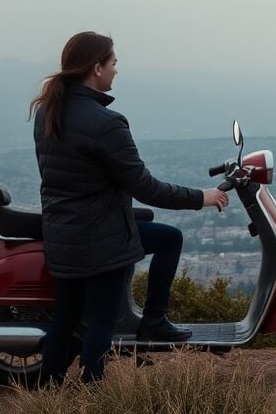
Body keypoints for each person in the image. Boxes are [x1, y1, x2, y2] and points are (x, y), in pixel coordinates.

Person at [29, 31, 228, 385]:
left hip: (62, 236)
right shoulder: (107, 123)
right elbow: (144, 186)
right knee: (102, 321)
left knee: (66, 316)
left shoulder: (48, 112)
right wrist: (201, 197)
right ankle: (94, 390)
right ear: (97, 68)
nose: (116, 71)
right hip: (101, 241)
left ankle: (48, 389)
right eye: (113, 63)